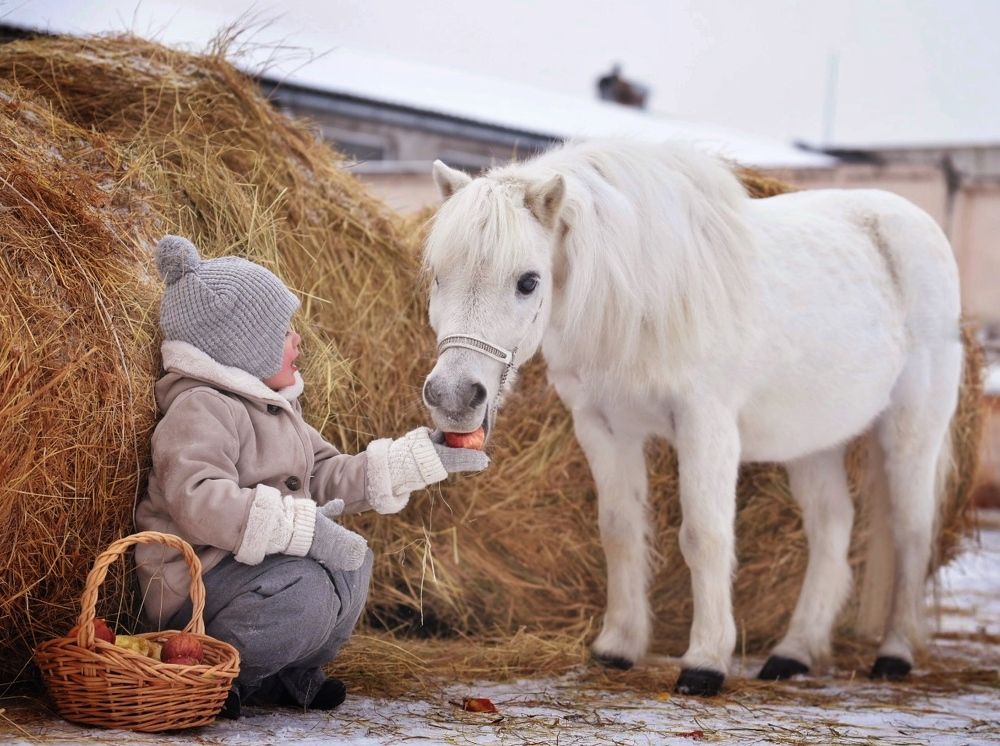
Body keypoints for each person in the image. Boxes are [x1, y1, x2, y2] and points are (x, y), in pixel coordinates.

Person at [134, 235, 488, 718]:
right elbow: (196, 497)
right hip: (198, 581)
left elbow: (323, 473)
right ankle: (220, 672)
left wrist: (417, 459)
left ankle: (287, 672)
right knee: (306, 591)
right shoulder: (202, 406)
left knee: (354, 561)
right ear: (243, 346)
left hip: (255, 569)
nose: (297, 340)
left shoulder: (276, 407)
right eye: (283, 333)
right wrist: (302, 529)